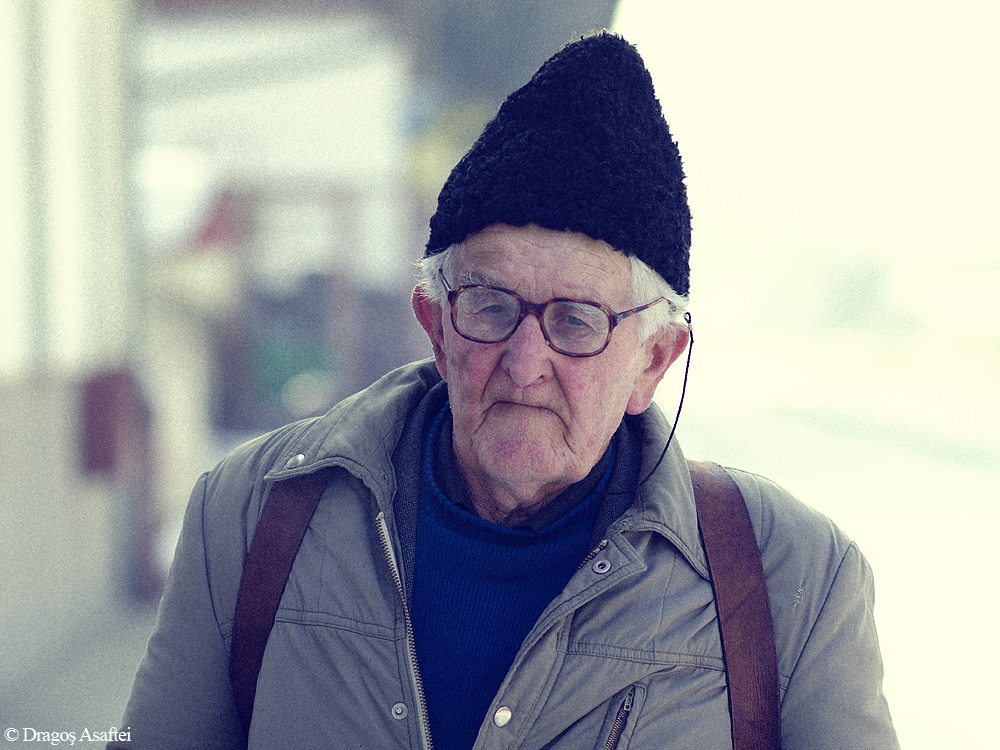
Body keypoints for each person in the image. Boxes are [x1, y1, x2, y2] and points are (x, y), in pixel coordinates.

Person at [112, 31, 898, 749]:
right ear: (436, 325)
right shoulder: (251, 514)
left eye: (577, 321)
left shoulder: (793, 578)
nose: (525, 363)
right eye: (491, 307)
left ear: (654, 361)